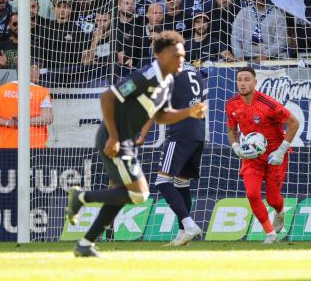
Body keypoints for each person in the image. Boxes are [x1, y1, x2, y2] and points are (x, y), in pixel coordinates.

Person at [65, 31, 207, 257]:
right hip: (114, 138)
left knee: (125, 193)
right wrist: (112, 136)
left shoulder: (168, 80)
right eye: (176, 56)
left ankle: (85, 243)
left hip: (125, 139)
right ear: (160, 56)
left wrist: (188, 111)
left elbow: (161, 116)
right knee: (139, 194)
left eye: (183, 55)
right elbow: (108, 97)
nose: (181, 60)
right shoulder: (147, 76)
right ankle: (82, 197)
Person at [225, 66, 299, 244]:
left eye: (247, 79)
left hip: (275, 156)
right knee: (252, 193)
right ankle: (270, 234)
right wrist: (235, 145)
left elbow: (294, 123)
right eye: (240, 80)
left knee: (273, 199)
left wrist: (281, 151)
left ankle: (279, 212)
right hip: (252, 157)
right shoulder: (232, 104)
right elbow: (231, 129)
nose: (243, 83)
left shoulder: (269, 104)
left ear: (255, 82)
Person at [137, 62, 205, 246]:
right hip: (198, 131)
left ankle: (189, 225)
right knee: (182, 183)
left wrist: (142, 135)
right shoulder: (194, 69)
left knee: (162, 181)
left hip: (180, 132)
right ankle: (184, 233)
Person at [0, 62, 53, 148]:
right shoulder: (42, 92)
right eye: (36, 68)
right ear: (26, 69)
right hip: (35, 148)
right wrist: (24, 121)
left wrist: (7, 123)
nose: (39, 72)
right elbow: (48, 118)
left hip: (6, 147)